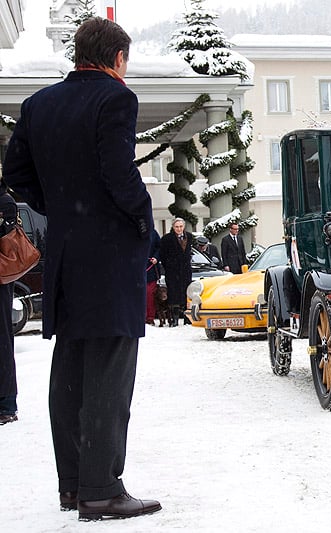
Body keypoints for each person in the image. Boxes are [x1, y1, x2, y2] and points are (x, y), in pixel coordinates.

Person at [1, 17, 161, 520]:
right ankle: (101, 488)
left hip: (66, 255)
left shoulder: (38, 104)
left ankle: (72, 485)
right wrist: (142, 219)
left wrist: (63, 208)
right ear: (117, 59)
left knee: (70, 369)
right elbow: (119, 172)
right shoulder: (115, 99)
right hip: (109, 253)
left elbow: (15, 175)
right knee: (110, 371)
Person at [0, 184, 18, 426]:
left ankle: (6, 403)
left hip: (1, 280)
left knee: (2, 340)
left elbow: (7, 239)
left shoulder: (5, 202)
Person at [160, 218, 194, 326]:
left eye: (180, 226)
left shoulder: (189, 236)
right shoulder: (167, 239)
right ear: (173, 227)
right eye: (176, 227)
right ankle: (174, 319)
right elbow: (163, 255)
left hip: (185, 271)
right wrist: (169, 267)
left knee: (186, 293)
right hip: (172, 271)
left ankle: (186, 318)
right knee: (174, 294)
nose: (179, 229)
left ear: (183, 227)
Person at [145, 228, 161, 325]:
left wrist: (156, 257)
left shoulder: (153, 232)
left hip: (150, 269)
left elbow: (159, 247)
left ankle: (150, 317)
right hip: (135, 267)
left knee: (150, 294)